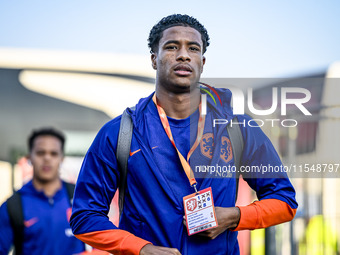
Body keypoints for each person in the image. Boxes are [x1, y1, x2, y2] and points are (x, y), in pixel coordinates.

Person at [70, 14, 298, 255]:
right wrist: (141, 249)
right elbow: (85, 217)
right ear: (153, 59)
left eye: (193, 48)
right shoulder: (119, 133)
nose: (183, 55)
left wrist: (234, 216)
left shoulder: (238, 128)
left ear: (202, 61)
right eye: (171, 47)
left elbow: (284, 202)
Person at [0, 127, 86, 255]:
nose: (47, 158)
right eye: (40, 153)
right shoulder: (12, 207)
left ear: (62, 158)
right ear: (30, 158)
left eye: (53, 153)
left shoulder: (80, 198)